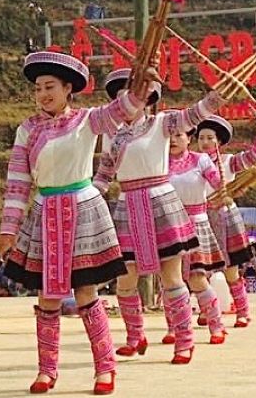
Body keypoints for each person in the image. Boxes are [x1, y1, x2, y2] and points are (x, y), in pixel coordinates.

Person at [0, 52, 139, 395]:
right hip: (45, 211)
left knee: (86, 293)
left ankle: (105, 369)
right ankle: (47, 371)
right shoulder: (27, 129)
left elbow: (124, 109)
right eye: (38, 88)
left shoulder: (88, 121)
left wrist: (142, 82)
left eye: (50, 87)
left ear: (67, 90)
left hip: (82, 209)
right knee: (47, 297)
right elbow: (18, 181)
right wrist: (7, 228)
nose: (43, 94)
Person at [93, 68, 226, 365]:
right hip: (127, 206)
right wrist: (86, 199)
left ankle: (184, 340)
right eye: (119, 97)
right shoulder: (112, 135)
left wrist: (215, 99)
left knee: (172, 277)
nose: (124, 102)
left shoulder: (162, 124)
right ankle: (134, 336)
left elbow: (193, 114)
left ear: (146, 98)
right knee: (125, 281)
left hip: (161, 203)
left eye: (129, 95)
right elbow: (104, 174)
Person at [194, 115, 256, 326]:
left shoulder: (228, 161)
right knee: (203, 270)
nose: (205, 142)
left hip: (226, 215)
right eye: (201, 138)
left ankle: (242, 311)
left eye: (210, 138)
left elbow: (252, 157)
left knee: (231, 269)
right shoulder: (191, 162)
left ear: (219, 141)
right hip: (202, 216)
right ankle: (207, 311)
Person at [164, 128, 228, 345]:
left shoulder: (201, 160)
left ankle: (216, 325)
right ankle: (174, 326)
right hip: (169, 225)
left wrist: (220, 179)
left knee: (197, 278)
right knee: (170, 279)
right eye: (169, 135)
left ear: (188, 138)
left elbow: (217, 182)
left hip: (196, 224)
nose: (173, 139)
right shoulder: (158, 164)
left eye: (179, 135)